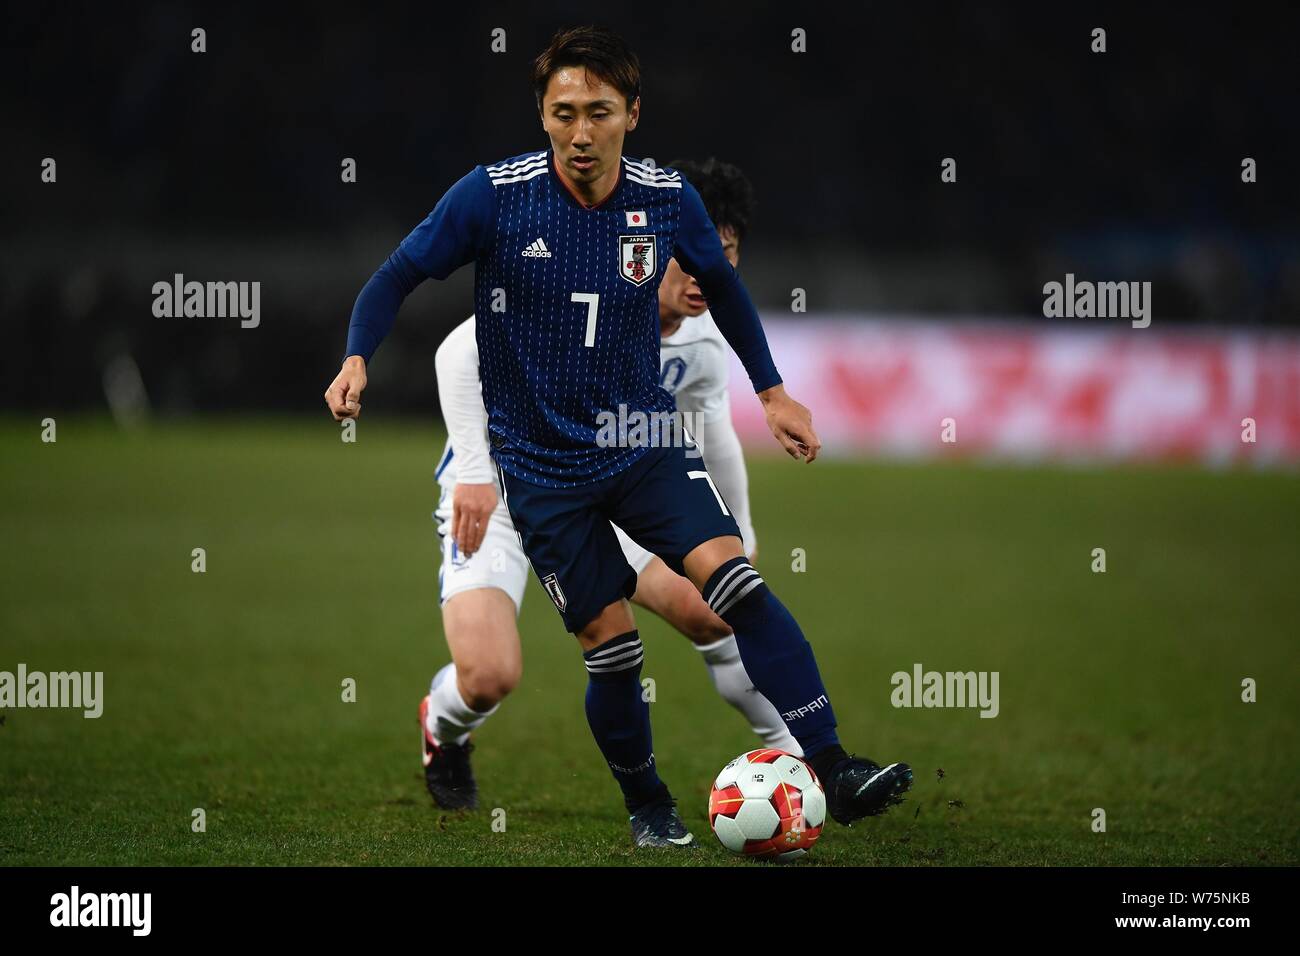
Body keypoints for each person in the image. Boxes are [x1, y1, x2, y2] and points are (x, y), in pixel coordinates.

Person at [326, 25, 911, 849]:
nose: (579, 131)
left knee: (732, 587)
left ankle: (833, 764)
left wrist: (774, 393)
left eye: (598, 111)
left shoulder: (668, 200)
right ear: (542, 115)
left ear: (631, 114)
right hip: (538, 471)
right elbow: (397, 275)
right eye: (562, 112)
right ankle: (647, 803)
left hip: (641, 446)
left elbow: (725, 290)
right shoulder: (494, 196)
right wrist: (357, 356)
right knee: (608, 651)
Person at [420, 158, 800, 813]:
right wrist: (478, 475)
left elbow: (712, 432)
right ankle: (444, 727)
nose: (702, 274)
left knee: (714, 609)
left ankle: (797, 758)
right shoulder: (574, 282)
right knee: (488, 678)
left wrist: (741, 532)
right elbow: (457, 354)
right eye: (684, 256)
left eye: (720, 257)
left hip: (608, 494)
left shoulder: (706, 342)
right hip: (506, 500)